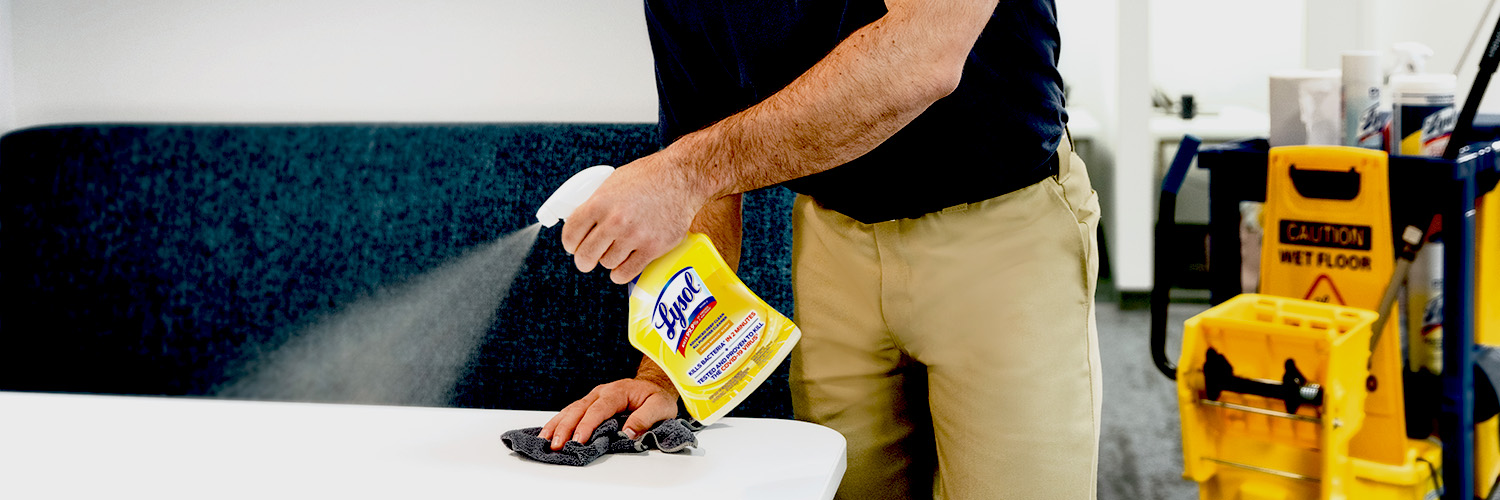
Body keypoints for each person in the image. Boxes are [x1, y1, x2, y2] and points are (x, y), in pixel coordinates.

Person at [538, 1, 1101, 498]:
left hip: (1002, 232)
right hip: (833, 240)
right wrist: (663, 375)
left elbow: (925, 52)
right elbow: (706, 188)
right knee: (842, 483)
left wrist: (684, 173)